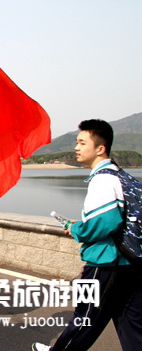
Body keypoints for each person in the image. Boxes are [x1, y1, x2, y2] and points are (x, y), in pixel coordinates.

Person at [32, 119, 142, 351]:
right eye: (76, 142)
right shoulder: (122, 177)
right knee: (131, 324)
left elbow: (103, 224)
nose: (76, 147)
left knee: (84, 320)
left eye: (82, 142)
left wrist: (75, 228)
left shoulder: (102, 180)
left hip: (105, 263)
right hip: (130, 262)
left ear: (100, 148)